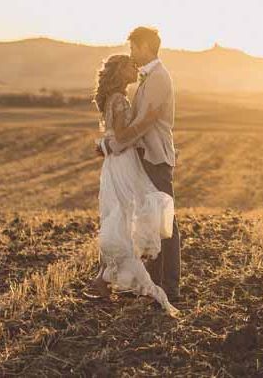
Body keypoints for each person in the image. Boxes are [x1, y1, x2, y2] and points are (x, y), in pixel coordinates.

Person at [84, 37, 178, 316]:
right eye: (128, 57)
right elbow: (131, 129)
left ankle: (154, 281)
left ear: (145, 46)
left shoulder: (158, 78)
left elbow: (148, 121)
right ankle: (148, 281)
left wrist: (107, 145)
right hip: (132, 159)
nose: (132, 57)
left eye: (133, 49)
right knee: (142, 218)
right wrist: (110, 145)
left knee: (143, 218)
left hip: (142, 156)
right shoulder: (123, 97)